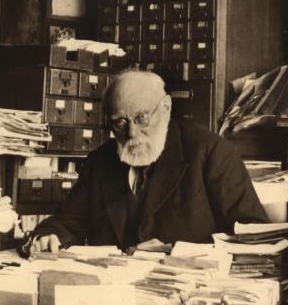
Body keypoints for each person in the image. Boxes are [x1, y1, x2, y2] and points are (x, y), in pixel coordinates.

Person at [20, 70, 268, 257]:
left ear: (167, 108)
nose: (132, 133)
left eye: (142, 118)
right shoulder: (99, 162)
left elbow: (254, 236)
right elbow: (66, 221)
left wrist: (177, 252)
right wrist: (47, 236)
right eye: (120, 122)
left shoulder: (211, 152)